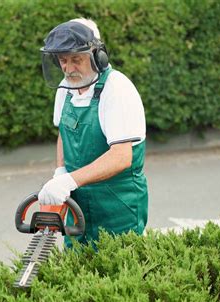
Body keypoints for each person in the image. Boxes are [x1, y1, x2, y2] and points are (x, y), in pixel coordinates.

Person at [38, 18, 148, 247]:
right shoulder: (66, 88)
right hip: (78, 207)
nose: (68, 68)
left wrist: (69, 180)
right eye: (63, 61)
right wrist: (60, 171)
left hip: (118, 207)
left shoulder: (117, 89)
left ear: (98, 56)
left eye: (76, 60)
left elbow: (121, 157)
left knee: (118, 269)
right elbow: (64, 133)